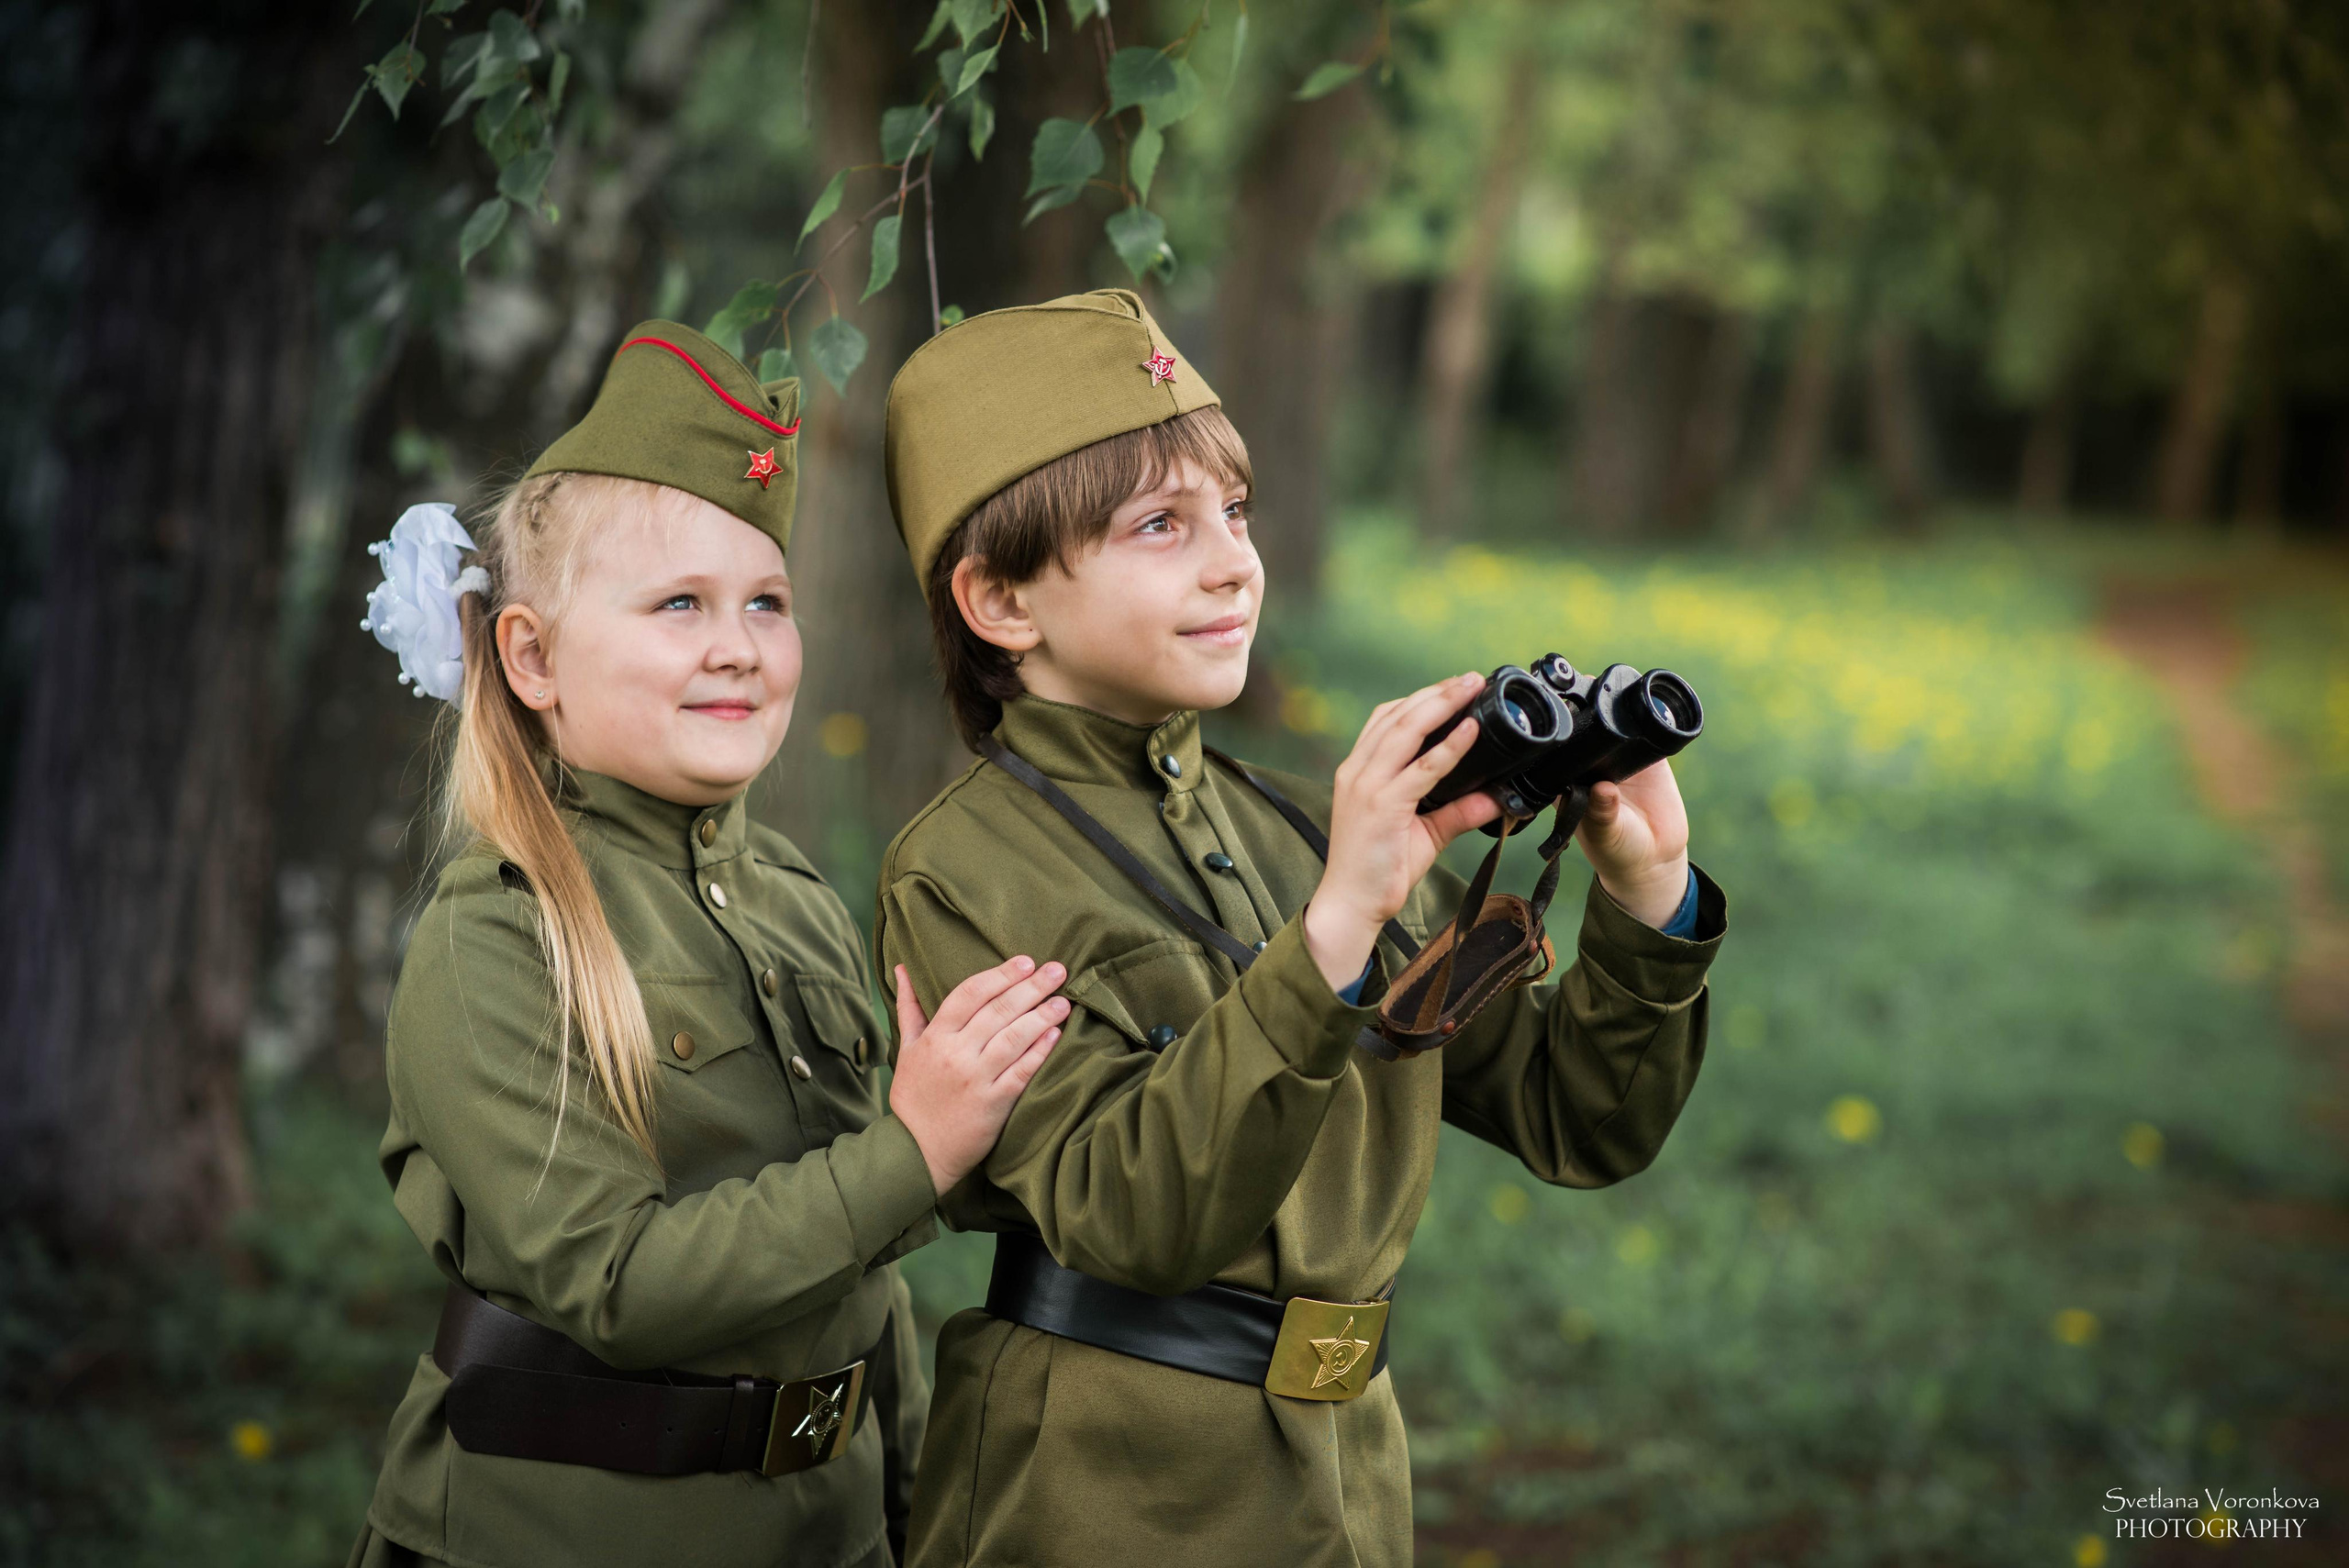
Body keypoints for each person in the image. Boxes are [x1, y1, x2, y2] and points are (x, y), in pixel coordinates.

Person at [871, 288, 1730, 1567]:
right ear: (999, 600)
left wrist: (1646, 894)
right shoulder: (967, 869)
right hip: (1100, 1492)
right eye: (1161, 524)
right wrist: (1332, 932)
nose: (1232, 560)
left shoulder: (1297, 828)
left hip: (1345, 1481)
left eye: (1237, 512)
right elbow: (1137, 1215)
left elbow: (1580, 1118)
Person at [344, 320, 1071, 1568]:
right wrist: (916, 1152)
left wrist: (907, 1518)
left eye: (766, 604)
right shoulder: (499, 931)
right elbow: (617, 1281)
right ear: (531, 655)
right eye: (680, 602)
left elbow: (859, 1288)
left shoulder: (790, 896)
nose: (737, 644)